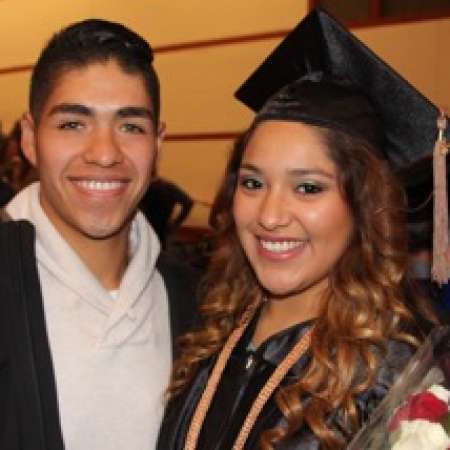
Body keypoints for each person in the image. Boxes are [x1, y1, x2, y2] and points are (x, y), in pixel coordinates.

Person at [157, 8, 443, 450]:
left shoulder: (391, 374)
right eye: (253, 183)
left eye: (308, 187)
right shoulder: (213, 328)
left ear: (363, 207)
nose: (270, 215)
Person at [0, 19, 197, 450]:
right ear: (30, 139)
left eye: (131, 127)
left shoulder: (193, 300)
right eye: (73, 124)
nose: (105, 153)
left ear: (158, 144)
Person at [140, 177, 193, 248]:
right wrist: (176, 223)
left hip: (145, 228)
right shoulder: (168, 187)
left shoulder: (142, 187)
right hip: (161, 230)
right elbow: (188, 202)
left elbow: (188, 202)